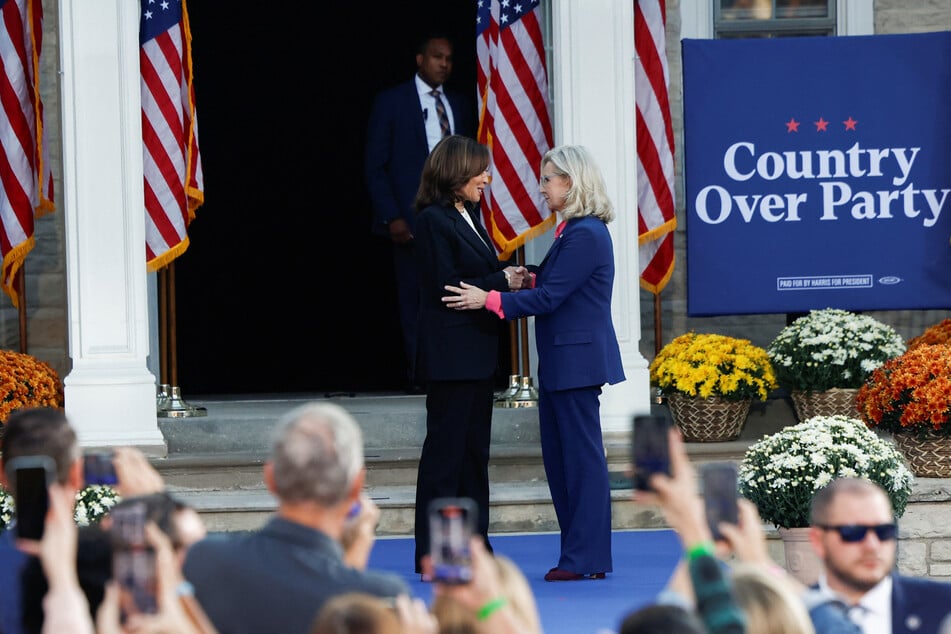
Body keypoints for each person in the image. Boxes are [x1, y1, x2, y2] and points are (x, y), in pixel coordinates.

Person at [442, 144, 624, 581]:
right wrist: (530, 275)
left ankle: (585, 558)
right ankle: (582, 557)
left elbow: (550, 298)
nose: (541, 187)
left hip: (575, 363)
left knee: (579, 463)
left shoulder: (584, 233)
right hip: (566, 362)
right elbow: (558, 283)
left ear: (571, 181)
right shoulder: (575, 231)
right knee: (565, 463)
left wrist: (489, 298)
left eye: (548, 179)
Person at [182, 402, 409, 634]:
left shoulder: (204, 560)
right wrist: (355, 557)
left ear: (270, 479)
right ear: (356, 487)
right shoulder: (383, 598)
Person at [411, 134, 527, 574]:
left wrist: (502, 277)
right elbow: (450, 286)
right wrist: (503, 281)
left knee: (474, 456)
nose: (488, 178)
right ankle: (435, 553)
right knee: (445, 459)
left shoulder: (471, 213)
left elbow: (478, 277)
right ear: (456, 171)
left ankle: (475, 548)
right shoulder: (431, 221)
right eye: (481, 170)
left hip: (476, 356)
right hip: (450, 358)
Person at [365, 32, 477, 393]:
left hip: (457, 220)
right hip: (411, 222)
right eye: (436, 57)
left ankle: (455, 372)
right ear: (420, 59)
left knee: (459, 294)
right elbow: (375, 165)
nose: (444, 64)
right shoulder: (392, 102)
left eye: (449, 58)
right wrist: (391, 216)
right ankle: (421, 376)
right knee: (415, 300)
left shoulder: (459, 103)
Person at [808, 477, 951, 633]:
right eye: (854, 532)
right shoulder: (792, 616)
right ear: (818, 541)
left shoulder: (944, 606)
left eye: (884, 531)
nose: (872, 546)